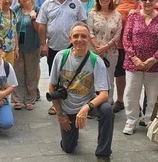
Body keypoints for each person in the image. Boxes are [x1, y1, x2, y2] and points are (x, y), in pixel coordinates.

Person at [49, 23, 114, 161]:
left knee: (107, 110)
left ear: (89, 39)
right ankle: (74, 131)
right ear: (70, 38)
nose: (80, 39)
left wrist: (86, 108)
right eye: (76, 36)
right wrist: (60, 114)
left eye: (84, 36)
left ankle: (103, 153)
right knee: (68, 148)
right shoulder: (61, 57)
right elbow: (52, 87)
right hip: (67, 106)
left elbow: (104, 94)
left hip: (87, 102)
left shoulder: (96, 61)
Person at [37, 0, 87, 115]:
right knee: (55, 77)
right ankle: (55, 104)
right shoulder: (47, 4)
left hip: (73, 48)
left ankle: (75, 104)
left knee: (74, 76)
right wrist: (43, 44)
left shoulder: (75, 3)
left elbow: (82, 23)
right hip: (53, 46)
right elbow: (41, 25)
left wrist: (82, 43)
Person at [122, 0, 158, 135]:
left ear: (155, 1)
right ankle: (131, 120)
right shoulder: (133, 17)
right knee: (131, 94)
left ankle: (149, 120)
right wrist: (135, 58)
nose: (147, 2)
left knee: (153, 95)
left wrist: (154, 58)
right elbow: (126, 39)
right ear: (140, 1)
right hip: (133, 64)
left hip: (155, 65)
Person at [88, 0, 122, 104]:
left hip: (111, 52)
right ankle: (93, 104)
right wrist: (98, 48)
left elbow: (118, 34)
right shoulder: (92, 14)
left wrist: (105, 47)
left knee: (109, 78)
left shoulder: (117, 15)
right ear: (97, 0)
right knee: (94, 78)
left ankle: (108, 103)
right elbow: (90, 32)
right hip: (94, 51)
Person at [112, 0, 139, 114]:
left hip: (133, 46)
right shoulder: (116, 1)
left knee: (134, 76)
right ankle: (120, 100)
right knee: (119, 74)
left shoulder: (139, 1)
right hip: (117, 45)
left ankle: (134, 103)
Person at [12, 0, 40, 110]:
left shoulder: (37, 10)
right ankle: (17, 99)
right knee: (18, 73)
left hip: (32, 46)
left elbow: (40, 29)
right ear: (19, 1)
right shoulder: (16, 10)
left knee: (31, 74)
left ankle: (30, 99)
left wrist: (34, 18)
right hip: (18, 46)